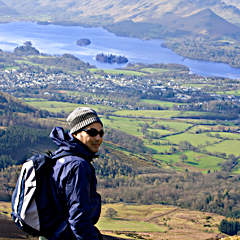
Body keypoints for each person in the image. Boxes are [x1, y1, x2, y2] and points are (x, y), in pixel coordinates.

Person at [43, 107, 104, 240]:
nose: (98, 138)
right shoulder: (78, 166)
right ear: (76, 133)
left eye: (101, 133)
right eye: (92, 132)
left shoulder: (60, 157)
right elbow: (79, 217)